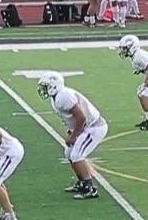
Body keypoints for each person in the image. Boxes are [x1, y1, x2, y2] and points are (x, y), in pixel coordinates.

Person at [37, 71, 105, 200]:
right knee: (69, 153)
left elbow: (82, 118)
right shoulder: (57, 97)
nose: (43, 89)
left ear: (54, 85)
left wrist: (74, 136)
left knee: (77, 155)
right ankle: (81, 181)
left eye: (46, 86)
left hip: (94, 127)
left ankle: (89, 188)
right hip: (85, 127)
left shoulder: (64, 96)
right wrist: (71, 131)